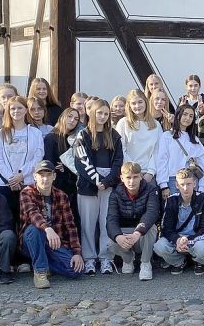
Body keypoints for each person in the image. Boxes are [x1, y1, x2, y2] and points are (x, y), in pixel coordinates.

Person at [73, 99, 124, 275]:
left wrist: (108, 180)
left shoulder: (114, 135)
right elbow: (82, 160)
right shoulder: (83, 135)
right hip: (88, 185)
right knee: (88, 224)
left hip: (109, 185)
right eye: (99, 113)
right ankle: (89, 259)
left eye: (105, 113)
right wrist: (96, 179)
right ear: (91, 113)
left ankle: (106, 259)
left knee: (106, 222)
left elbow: (118, 161)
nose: (102, 116)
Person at [18, 160, 84, 288]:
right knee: (36, 230)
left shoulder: (61, 196)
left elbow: (70, 226)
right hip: (31, 240)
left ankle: (44, 262)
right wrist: (47, 229)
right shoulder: (26, 193)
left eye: (48, 175)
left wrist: (77, 253)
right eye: (41, 175)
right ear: (34, 176)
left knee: (77, 270)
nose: (45, 179)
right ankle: (40, 272)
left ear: (54, 176)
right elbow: (33, 214)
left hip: (54, 243)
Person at [0, 96, 45, 226]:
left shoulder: (35, 133)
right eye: (13, 108)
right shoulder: (1, 133)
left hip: (28, 183)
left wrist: (21, 175)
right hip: (5, 185)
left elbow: (38, 157)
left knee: (27, 222)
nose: (16, 111)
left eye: (20, 108)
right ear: (8, 111)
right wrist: (11, 178)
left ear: (26, 110)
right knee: (6, 223)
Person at [106, 162, 161, 281]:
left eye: (135, 177)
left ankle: (145, 263)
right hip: (125, 232)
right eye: (128, 177)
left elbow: (151, 213)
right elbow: (111, 219)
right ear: (122, 178)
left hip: (141, 234)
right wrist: (118, 237)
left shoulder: (151, 190)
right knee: (110, 240)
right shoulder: (115, 194)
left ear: (141, 176)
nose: (132, 181)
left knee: (151, 228)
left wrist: (137, 232)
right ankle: (128, 259)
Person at [154, 169, 204, 275]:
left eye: (189, 184)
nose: (185, 188)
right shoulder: (171, 200)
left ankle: (199, 262)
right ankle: (179, 262)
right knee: (159, 246)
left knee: (202, 248)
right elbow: (166, 228)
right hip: (177, 238)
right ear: (177, 185)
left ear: (194, 184)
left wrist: (187, 240)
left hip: (196, 238)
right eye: (182, 184)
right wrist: (177, 240)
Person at [157, 104, 204, 197]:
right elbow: (162, 161)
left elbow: (203, 162)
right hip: (173, 180)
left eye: (191, 116)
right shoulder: (167, 136)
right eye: (185, 114)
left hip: (191, 181)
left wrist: (202, 187)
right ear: (178, 115)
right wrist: (164, 185)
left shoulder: (194, 139)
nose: (187, 118)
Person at [43, 107, 84, 223]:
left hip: (73, 185)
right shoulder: (51, 138)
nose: (72, 120)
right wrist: (61, 169)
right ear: (63, 117)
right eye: (70, 116)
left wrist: (65, 167)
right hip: (57, 186)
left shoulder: (75, 139)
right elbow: (51, 163)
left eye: (76, 119)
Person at [115, 89, 160, 184]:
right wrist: (133, 171)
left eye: (140, 102)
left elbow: (158, 151)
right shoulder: (123, 123)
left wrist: (150, 173)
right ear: (129, 106)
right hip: (129, 176)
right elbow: (121, 149)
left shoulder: (156, 125)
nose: (137, 106)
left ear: (146, 103)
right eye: (133, 103)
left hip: (149, 176)